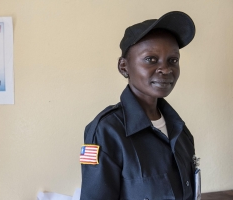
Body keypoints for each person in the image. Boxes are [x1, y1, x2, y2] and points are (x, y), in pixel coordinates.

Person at [80, 11, 199, 200]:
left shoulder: (181, 131)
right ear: (124, 67)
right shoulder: (106, 131)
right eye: (151, 59)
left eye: (173, 60)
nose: (166, 69)